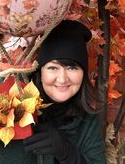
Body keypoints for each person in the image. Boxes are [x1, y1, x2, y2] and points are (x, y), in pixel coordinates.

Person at [24, 20, 107, 164]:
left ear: (83, 74)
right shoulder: (15, 100)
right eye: (53, 68)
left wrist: (67, 153)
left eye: (72, 68)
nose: (62, 79)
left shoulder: (87, 119)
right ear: (40, 72)